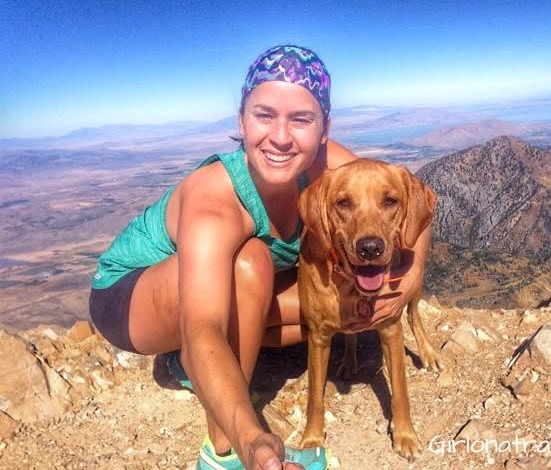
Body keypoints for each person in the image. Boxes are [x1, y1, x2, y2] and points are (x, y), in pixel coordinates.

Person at [89, 45, 431, 470]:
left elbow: (406, 196)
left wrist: (411, 274)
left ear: (323, 129)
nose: (282, 137)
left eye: (301, 119)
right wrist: (252, 441)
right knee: (250, 262)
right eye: (264, 115)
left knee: (336, 311)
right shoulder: (213, 200)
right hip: (128, 296)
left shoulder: (330, 164)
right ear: (241, 121)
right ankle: (219, 451)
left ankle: (198, 368)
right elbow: (203, 324)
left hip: (217, 290)